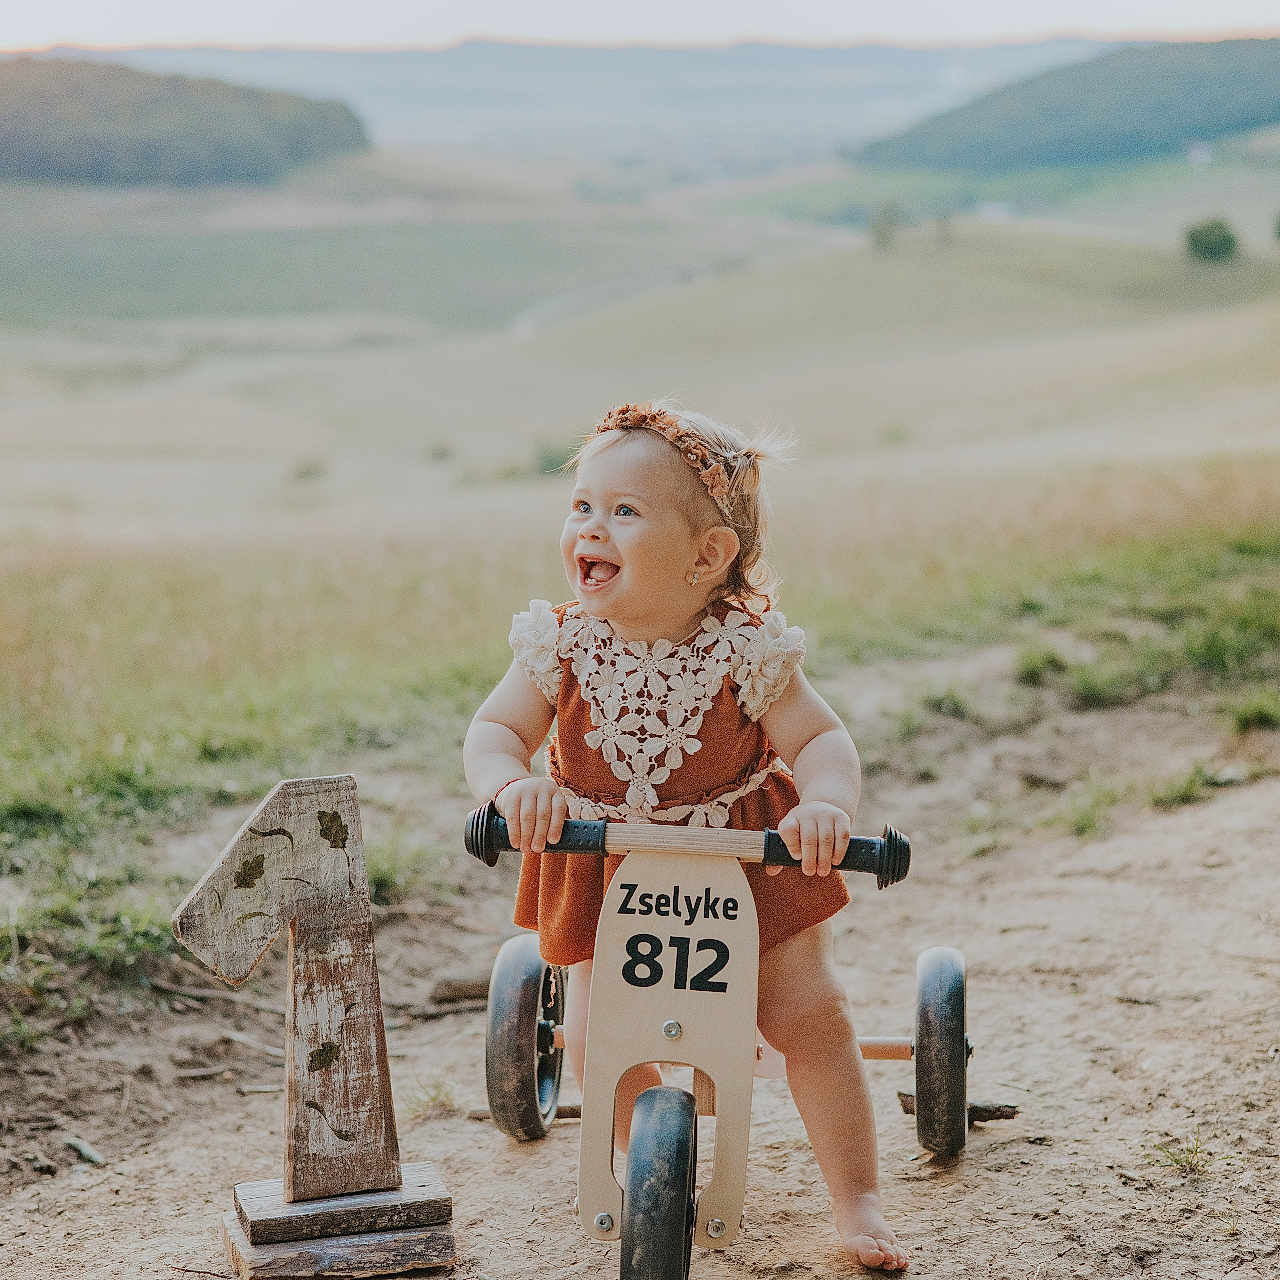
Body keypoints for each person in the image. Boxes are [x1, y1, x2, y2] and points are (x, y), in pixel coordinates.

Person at [463, 402, 909, 1272]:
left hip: (748, 859)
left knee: (806, 1013)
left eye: (624, 512)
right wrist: (512, 787)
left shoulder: (745, 649)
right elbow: (492, 732)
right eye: (582, 506)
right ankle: (651, 1166)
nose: (591, 527)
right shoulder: (559, 644)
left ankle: (857, 1197)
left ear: (708, 556)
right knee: (595, 1040)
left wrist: (825, 805)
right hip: (607, 861)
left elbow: (820, 741)